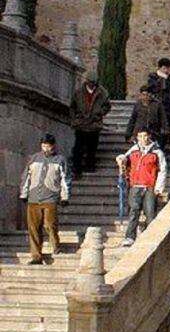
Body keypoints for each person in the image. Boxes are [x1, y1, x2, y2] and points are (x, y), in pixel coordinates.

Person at [18, 134, 72, 264]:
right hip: (34, 197)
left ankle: (55, 245)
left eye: (48, 146)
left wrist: (64, 196)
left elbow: (65, 179)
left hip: (50, 197)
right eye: (43, 146)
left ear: (53, 146)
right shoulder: (34, 158)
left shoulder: (60, 160)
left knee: (50, 224)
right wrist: (24, 193)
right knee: (33, 227)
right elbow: (26, 177)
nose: (46, 149)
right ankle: (36, 255)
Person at [116, 128, 167, 247]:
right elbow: (124, 158)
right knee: (133, 211)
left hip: (149, 186)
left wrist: (159, 187)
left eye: (145, 136)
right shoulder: (134, 150)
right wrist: (120, 159)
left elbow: (162, 169)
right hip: (135, 185)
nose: (142, 139)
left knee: (150, 212)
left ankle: (151, 236)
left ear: (149, 136)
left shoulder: (157, 152)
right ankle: (130, 236)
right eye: (140, 137)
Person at [70, 70, 111, 177]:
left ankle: (90, 166)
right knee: (78, 148)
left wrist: (99, 114)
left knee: (92, 148)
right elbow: (73, 106)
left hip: (94, 125)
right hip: (81, 124)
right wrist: (75, 119)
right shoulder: (79, 92)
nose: (92, 84)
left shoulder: (102, 92)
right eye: (90, 82)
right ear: (87, 82)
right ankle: (77, 169)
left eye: (94, 83)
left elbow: (107, 106)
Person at [146, 57, 170, 148]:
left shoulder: (169, 80)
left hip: (167, 108)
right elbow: (152, 89)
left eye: (168, 68)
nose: (167, 70)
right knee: (155, 130)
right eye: (165, 68)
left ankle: (163, 146)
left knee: (165, 130)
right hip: (156, 109)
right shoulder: (152, 78)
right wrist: (162, 79)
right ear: (160, 68)